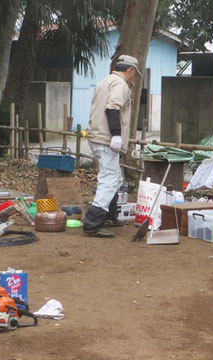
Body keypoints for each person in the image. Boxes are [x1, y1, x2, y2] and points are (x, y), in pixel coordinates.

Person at [83, 55, 142, 237]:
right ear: (130, 70)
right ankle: (92, 224)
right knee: (109, 179)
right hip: (107, 138)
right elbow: (112, 108)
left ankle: (110, 215)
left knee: (114, 179)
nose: (133, 77)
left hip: (96, 135)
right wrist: (116, 135)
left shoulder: (105, 81)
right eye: (134, 73)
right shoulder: (120, 84)